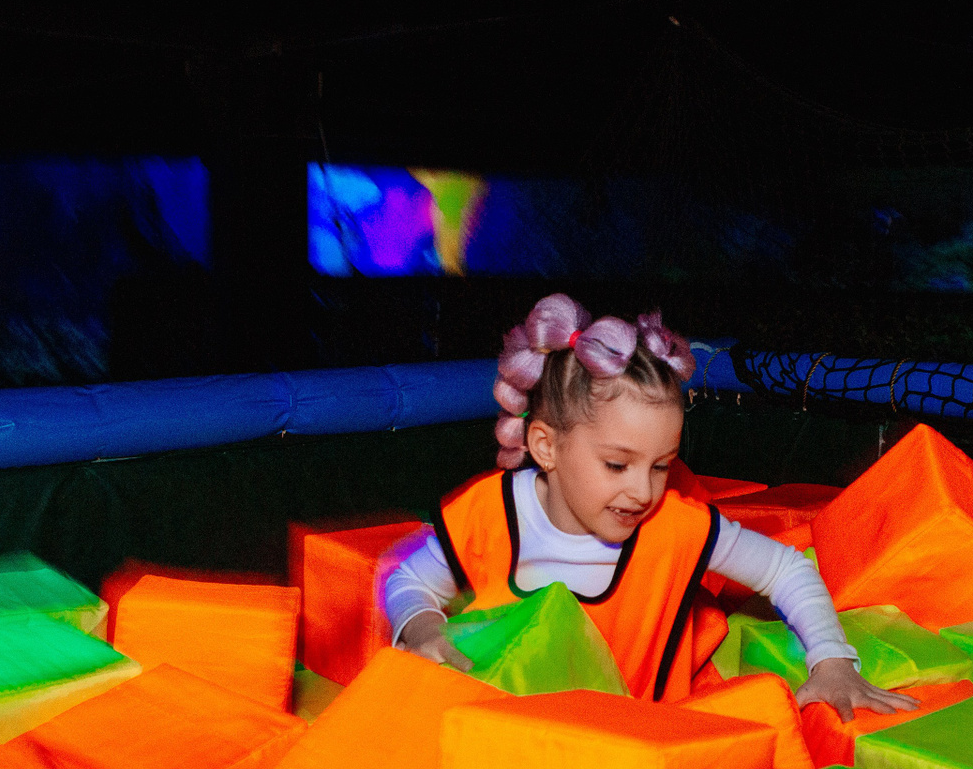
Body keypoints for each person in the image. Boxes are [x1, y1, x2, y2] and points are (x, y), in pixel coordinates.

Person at [383, 293, 918, 720]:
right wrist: (423, 628)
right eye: (617, 465)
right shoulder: (488, 514)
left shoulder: (674, 525)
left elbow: (785, 568)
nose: (643, 491)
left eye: (661, 465)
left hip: (631, 750)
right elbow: (407, 581)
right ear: (546, 447)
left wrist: (832, 661)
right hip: (500, 737)